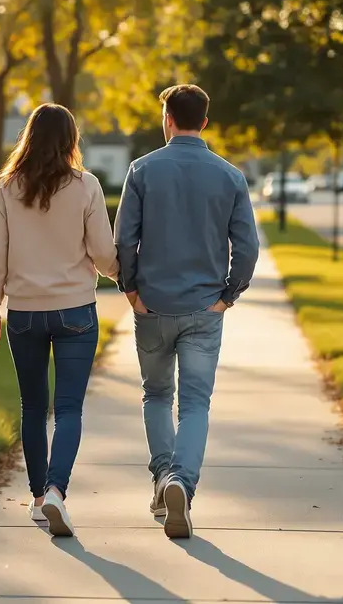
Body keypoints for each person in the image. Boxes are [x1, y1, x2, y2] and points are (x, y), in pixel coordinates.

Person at [114, 84, 260, 539]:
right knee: (195, 403)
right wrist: (228, 296)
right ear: (206, 123)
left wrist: (131, 290)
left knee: (156, 395)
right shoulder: (231, 177)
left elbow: (123, 241)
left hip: (153, 306)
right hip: (204, 308)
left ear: (168, 120)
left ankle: (162, 478)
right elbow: (248, 247)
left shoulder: (142, 170)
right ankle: (182, 482)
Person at [0, 103, 119, 538]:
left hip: (24, 314)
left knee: (32, 407)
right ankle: (58, 489)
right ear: (70, 140)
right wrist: (121, 275)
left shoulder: (6, 188)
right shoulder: (86, 186)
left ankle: (39, 499)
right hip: (76, 310)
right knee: (69, 407)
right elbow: (102, 252)